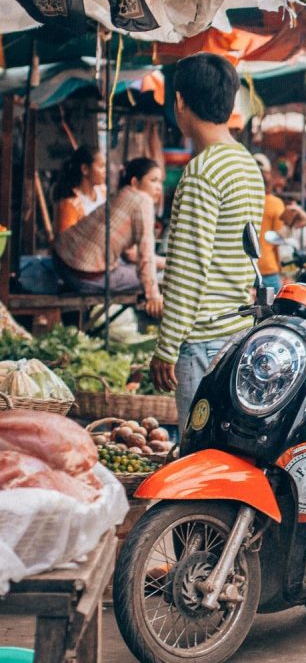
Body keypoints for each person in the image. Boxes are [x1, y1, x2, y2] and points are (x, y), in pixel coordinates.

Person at [149, 53, 265, 427]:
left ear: (180, 101)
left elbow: (187, 268)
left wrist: (166, 348)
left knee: (197, 463)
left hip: (201, 341)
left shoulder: (202, 171)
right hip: (235, 332)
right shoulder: (246, 163)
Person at [52, 157, 164, 318]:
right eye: (153, 180)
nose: (158, 187)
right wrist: (153, 297)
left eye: (160, 181)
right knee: (161, 278)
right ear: (135, 182)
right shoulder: (142, 200)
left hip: (61, 263)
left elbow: (132, 255)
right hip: (82, 275)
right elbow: (145, 257)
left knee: (148, 272)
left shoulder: (123, 196)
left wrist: (167, 263)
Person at [53, 146, 108, 233]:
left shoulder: (103, 191)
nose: (105, 171)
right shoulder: (69, 204)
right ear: (85, 169)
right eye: (101, 167)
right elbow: (66, 242)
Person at [253, 154, 287, 294]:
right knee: (273, 314)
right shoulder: (276, 204)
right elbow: (278, 240)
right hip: (268, 268)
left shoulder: (246, 201)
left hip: (247, 268)